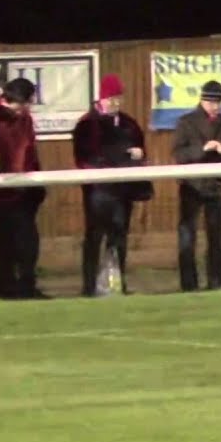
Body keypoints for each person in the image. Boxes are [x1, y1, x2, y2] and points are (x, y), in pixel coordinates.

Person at [72, 74, 151, 297]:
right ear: (102, 99)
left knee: (119, 237)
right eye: (111, 99)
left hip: (123, 190)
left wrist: (139, 155)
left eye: (118, 98)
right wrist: (120, 157)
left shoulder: (129, 123)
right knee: (95, 237)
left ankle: (116, 283)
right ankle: (89, 287)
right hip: (98, 191)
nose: (115, 103)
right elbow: (85, 158)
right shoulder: (87, 124)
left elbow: (141, 150)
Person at [0, 77, 47, 300]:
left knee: (22, 241)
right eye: (22, 105)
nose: (24, 110)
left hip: (17, 187)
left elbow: (29, 147)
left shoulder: (24, 118)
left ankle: (21, 287)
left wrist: (34, 177)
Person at [172, 80, 221, 292]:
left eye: (218, 102)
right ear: (202, 100)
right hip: (191, 186)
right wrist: (202, 149)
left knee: (216, 237)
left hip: (215, 186)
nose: (215, 107)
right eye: (211, 102)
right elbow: (179, 154)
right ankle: (188, 284)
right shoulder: (186, 122)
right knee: (187, 236)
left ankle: (215, 281)